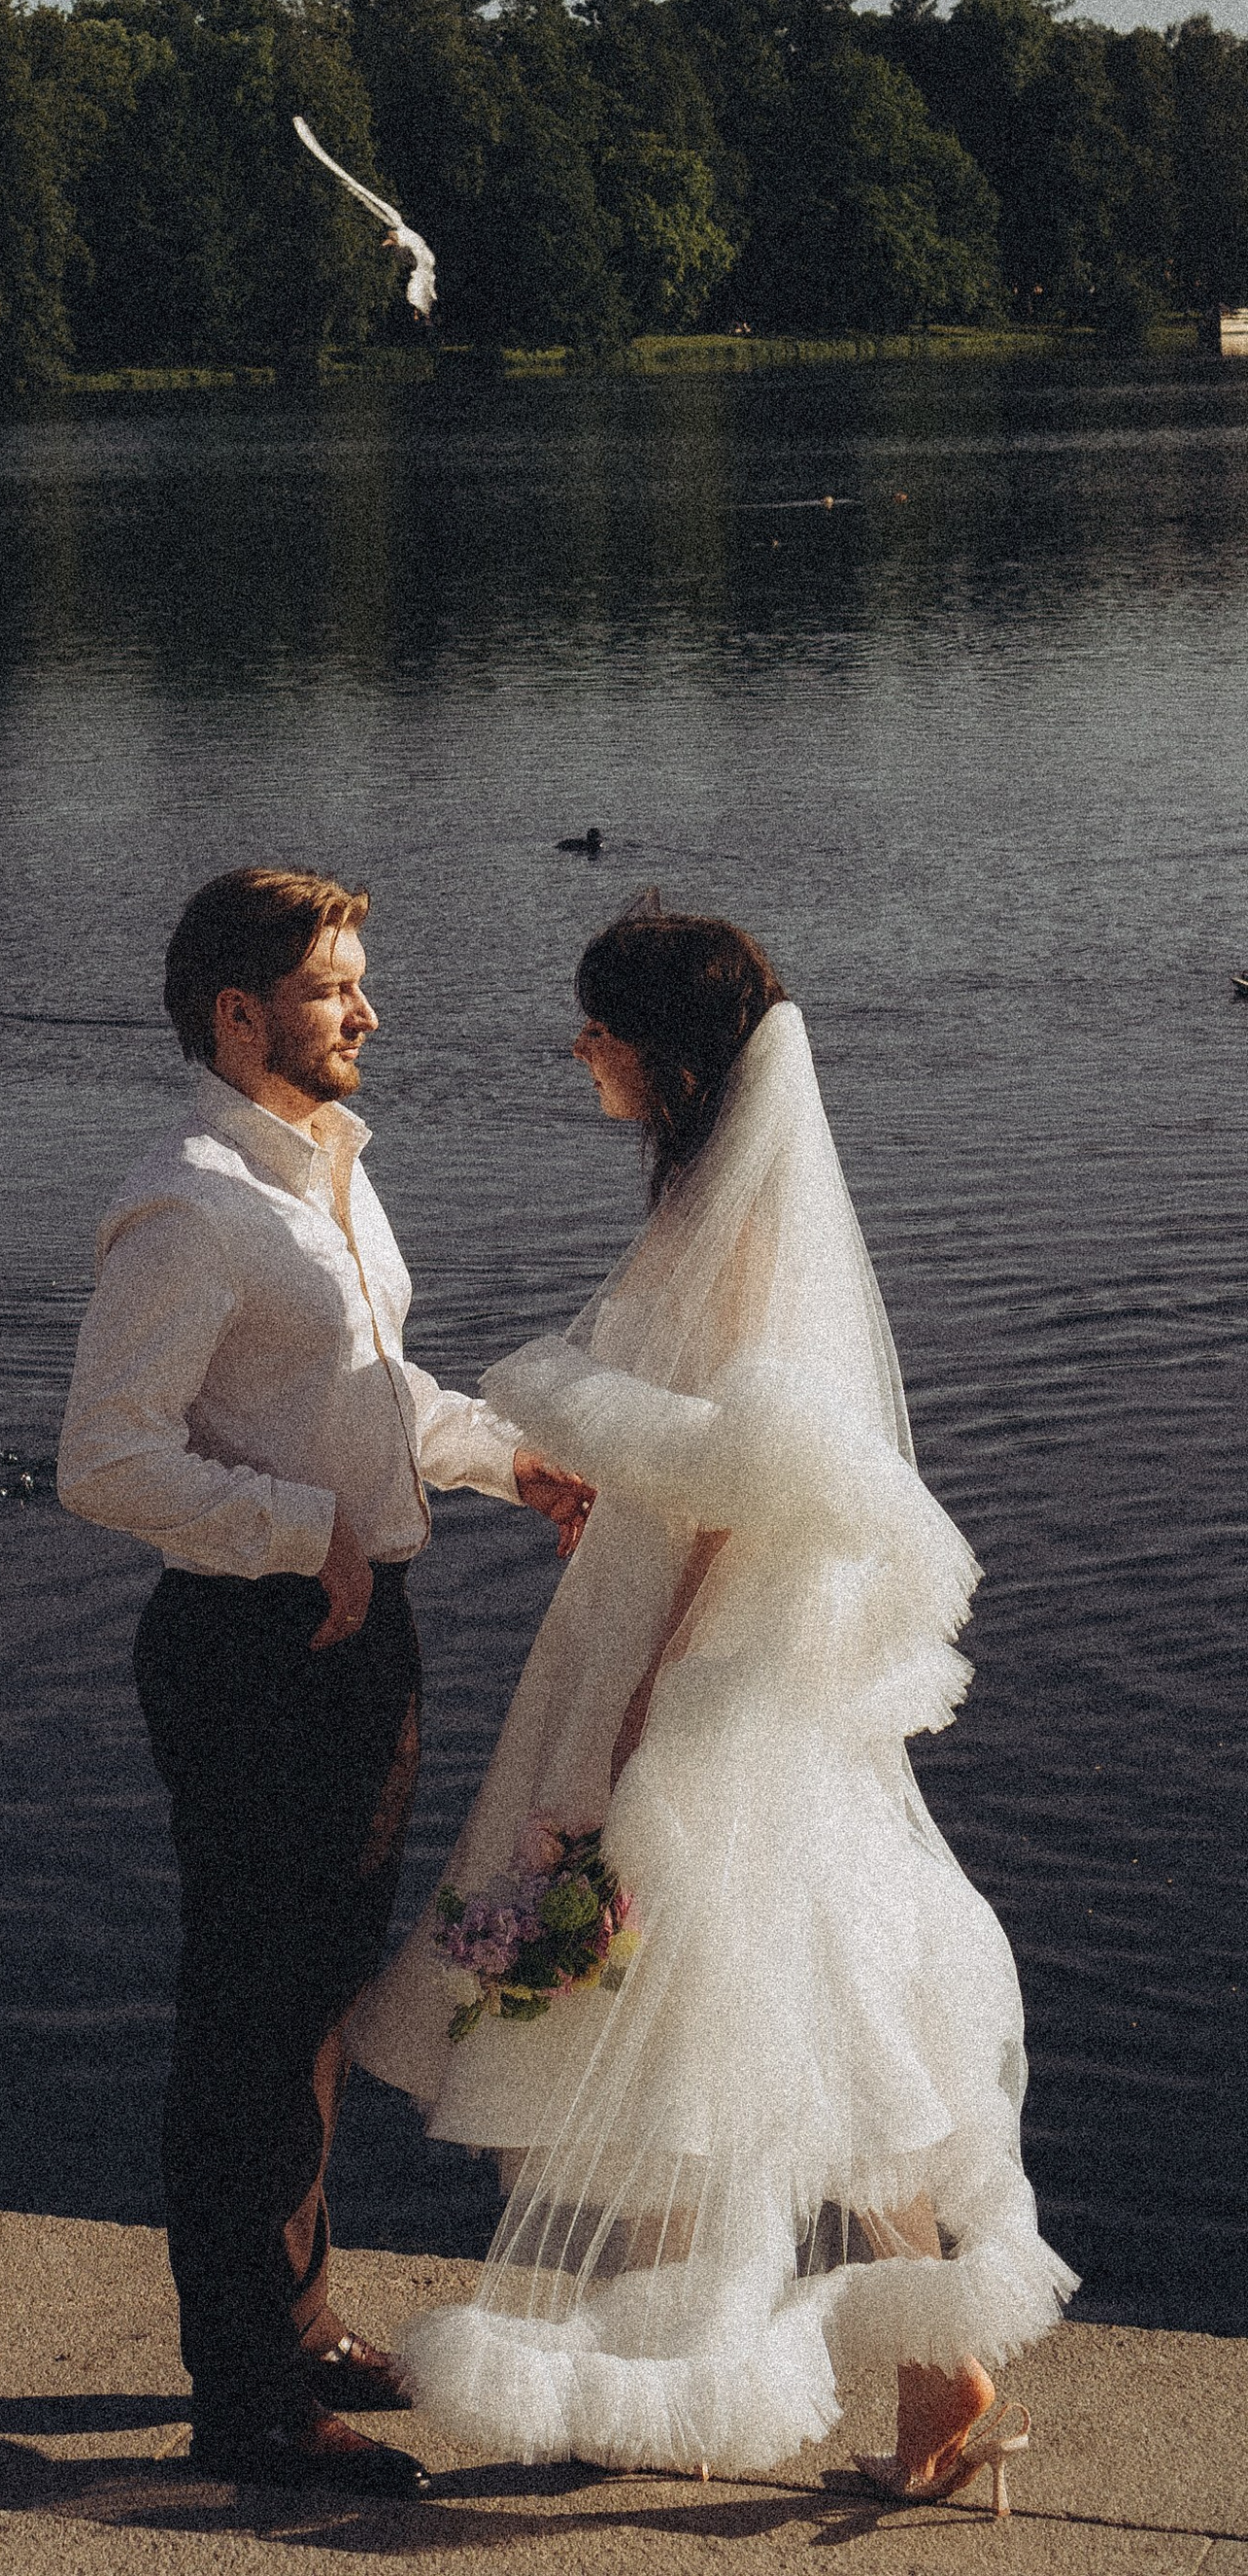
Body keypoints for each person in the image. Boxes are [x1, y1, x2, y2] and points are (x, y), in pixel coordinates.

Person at [349, 898, 1074, 2495]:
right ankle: (923, 2368)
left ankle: (854, 2370)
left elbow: (746, 1488)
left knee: (727, 2001)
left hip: (699, 1655)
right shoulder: (713, 1197)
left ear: (666, 1057)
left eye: (601, 1029)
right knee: (781, 2000)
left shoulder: (741, 1228)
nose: (583, 1052)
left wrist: (650, 1702)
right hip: (676, 1633)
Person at [57, 867, 594, 2498]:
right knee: (247, 2021)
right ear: (240, 1015)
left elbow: (370, 1395)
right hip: (254, 1656)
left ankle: (294, 2324)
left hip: (355, 1646)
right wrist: (299, 1533)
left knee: (315, 2005)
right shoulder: (192, 1204)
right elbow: (103, 1460)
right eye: (333, 988)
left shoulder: (333, 1177)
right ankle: (250, 2404)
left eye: (360, 982)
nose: (368, 1011)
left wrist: (516, 1461)